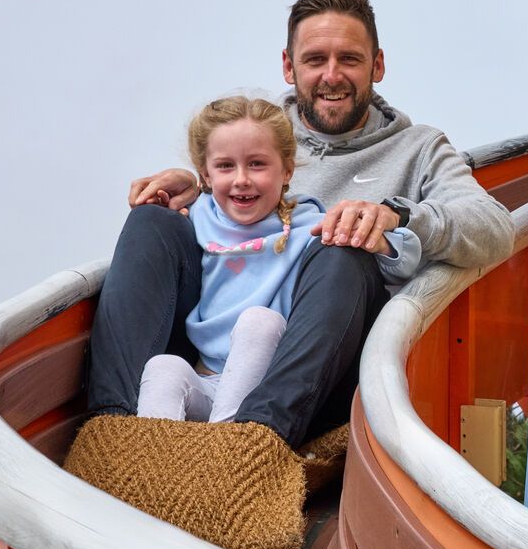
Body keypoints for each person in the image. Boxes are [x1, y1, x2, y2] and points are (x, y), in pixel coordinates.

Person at [87, 0, 515, 448]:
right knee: (154, 221)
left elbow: (494, 227)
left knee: (342, 252)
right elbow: (230, 198)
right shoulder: (256, 134)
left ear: (378, 65)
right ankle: (113, 430)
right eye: (315, 60)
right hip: (211, 349)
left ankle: (253, 445)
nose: (332, 76)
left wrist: (395, 216)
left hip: (318, 363)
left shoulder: (419, 149)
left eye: (349, 59)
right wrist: (200, 184)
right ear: (289, 66)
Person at [134, 95, 420, 424]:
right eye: (226, 166)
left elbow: (403, 262)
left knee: (260, 320)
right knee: (163, 367)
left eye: (257, 164)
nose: (241, 178)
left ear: (286, 171)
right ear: (206, 176)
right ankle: (152, 456)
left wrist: (383, 238)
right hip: (209, 380)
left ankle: (229, 446)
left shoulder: (307, 223)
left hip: (269, 391)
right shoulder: (196, 216)